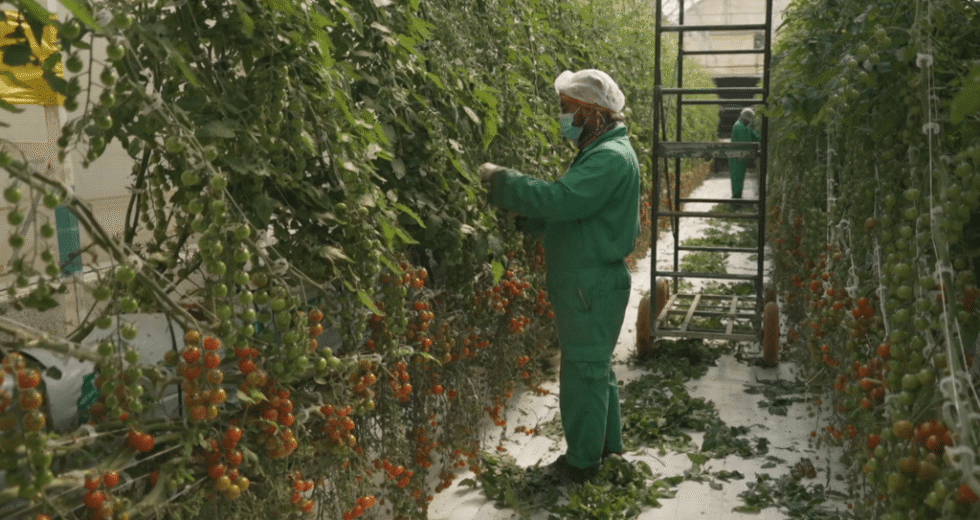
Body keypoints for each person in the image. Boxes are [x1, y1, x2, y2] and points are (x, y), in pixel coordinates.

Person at [479, 69, 640, 485]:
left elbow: (564, 199)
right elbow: (578, 214)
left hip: (591, 285)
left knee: (583, 371)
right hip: (591, 281)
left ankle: (582, 464)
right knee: (594, 369)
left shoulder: (608, 158)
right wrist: (528, 220)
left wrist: (503, 182)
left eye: (566, 109)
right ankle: (606, 447)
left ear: (591, 110)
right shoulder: (603, 149)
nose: (562, 117)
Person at [728, 107, 760, 199]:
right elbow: (746, 143)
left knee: (738, 178)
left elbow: (754, 137)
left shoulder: (743, 125)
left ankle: (737, 199)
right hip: (737, 157)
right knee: (737, 178)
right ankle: (736, 200)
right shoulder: (740, 127)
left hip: (739, 158)